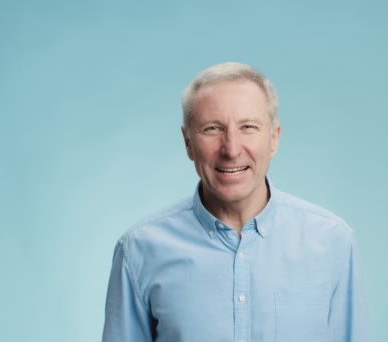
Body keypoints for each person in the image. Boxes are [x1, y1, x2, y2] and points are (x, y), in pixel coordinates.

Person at [102, 62, 370, 342]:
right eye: (212, 129)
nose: (231, 149)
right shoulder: (139, 250)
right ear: (188, 142)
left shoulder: (333, 242)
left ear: (274, 138)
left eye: (248, 127)